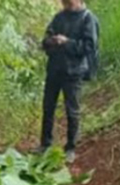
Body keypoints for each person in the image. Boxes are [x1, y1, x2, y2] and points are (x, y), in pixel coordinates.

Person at [36, 0, 99, 164]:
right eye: (64, 3)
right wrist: (52, 41)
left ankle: (70, 147)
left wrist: (67, 42)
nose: (66, 6)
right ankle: (45, 144)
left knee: (72, 111)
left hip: (74, 72)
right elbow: (46, 39)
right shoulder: (59, 17)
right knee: (48, 107)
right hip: (54, 70)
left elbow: (89, 47)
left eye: (69, 3)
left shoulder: (87, 19)